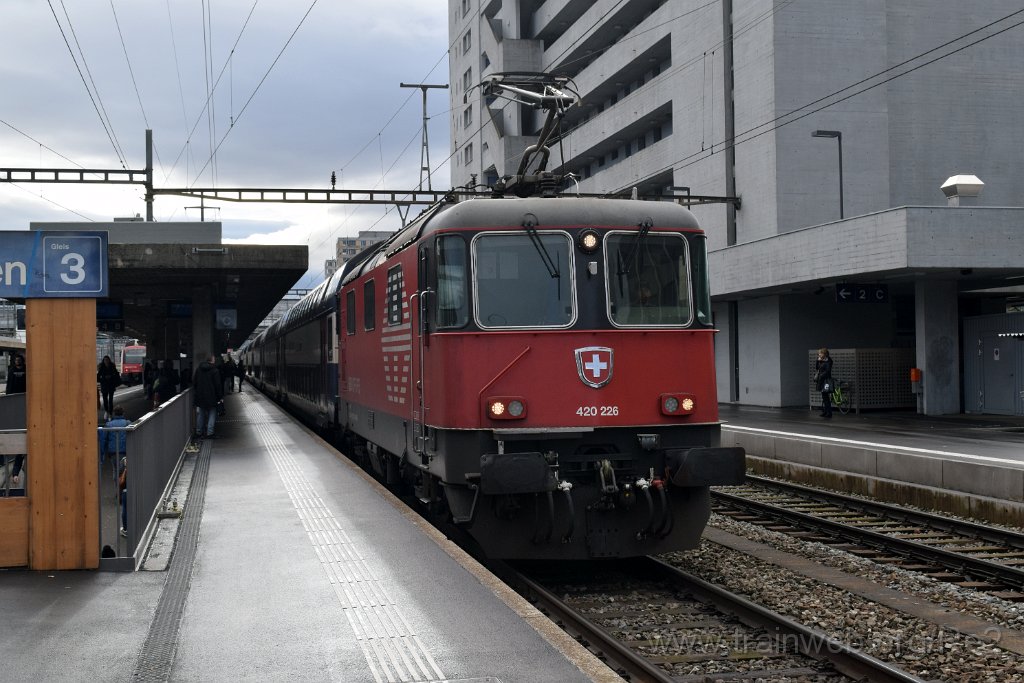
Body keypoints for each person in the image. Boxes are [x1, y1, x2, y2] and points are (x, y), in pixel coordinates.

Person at [193, 352, 223, 439]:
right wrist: (220, 397)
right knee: (212, 414)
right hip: (212, 397)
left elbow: (195, 382)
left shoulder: (199, 369)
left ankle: (199, 432)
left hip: (200, 396)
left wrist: (198, 392)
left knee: (201, 414)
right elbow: (218, 385)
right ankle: (210, 433)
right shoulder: (215, 370)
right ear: (212, 360)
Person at [814, 347, 834, 419]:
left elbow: (828, 370)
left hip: (826, 380)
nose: (819, 354)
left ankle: (829, 412)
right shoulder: (821, 360)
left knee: (826, 396)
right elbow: (817, 368)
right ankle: (825, 411)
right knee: (824, 396)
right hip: (821, 380)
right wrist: (818, 361)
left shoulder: (829, 360)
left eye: (820, 353)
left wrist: (821, 376)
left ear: (824, 354)